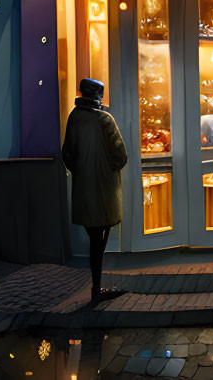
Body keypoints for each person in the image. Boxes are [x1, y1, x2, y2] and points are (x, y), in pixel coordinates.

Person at [61, 78, 128, 302]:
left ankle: (96, 288)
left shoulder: (74, 117)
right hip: (105, 190)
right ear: (98, 95)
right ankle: (97, 290)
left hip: (84, 188)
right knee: (101, 237)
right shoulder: (104, 119)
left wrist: (83, 172)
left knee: (93, 239)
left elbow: (67, 154)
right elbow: (120, 156)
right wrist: (105, 171)